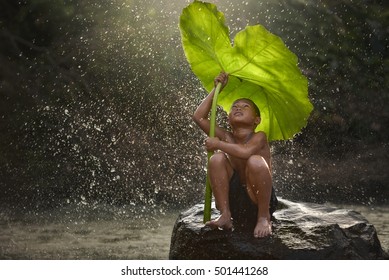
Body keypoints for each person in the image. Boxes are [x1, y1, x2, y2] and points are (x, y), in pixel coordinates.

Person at [192, 72, 278, 238]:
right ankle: (225, 215)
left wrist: (217, 144)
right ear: (229, 118)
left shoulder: (259, 136)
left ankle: (263, 217)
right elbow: (198, 117)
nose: (238, 108)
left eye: (245, 107)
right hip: (236, 200)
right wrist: (217, 89)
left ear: (257, 120)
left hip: (258, 200)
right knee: (217, 158)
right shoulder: (227, 137)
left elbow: (245, 151)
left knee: (255, 161)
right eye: (234, 107)